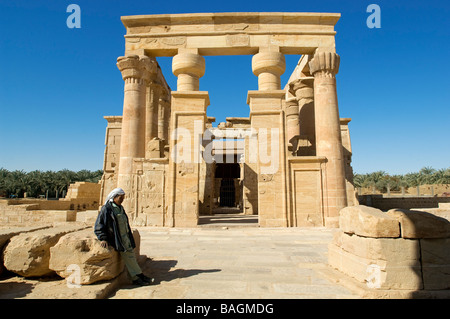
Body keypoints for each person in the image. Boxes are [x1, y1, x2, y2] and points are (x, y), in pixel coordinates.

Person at [94, 187, 153, 286]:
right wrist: (103, 238)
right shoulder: (107, 208)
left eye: (123, 197)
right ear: (115, 197)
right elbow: (99, 224)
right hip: (117, 238)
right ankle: (136, 277)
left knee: (131, 257)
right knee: (129, 257)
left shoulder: (120, 208)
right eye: (121, 197)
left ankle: (139, 275)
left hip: (125, 237)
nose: (123, 199)